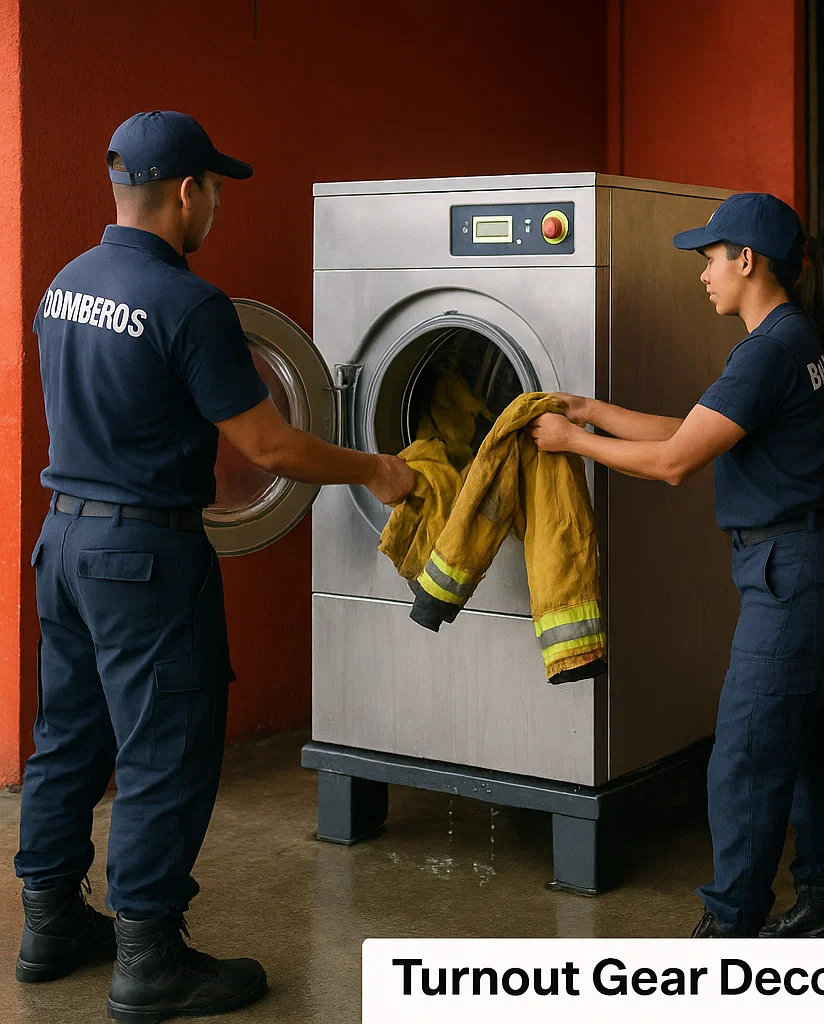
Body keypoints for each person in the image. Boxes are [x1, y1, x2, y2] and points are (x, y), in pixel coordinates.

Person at [13, 111, 414, 1021]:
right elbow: (268, 446)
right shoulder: (189, 304)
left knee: (69, 736)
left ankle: (47, 925)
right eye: (217, 190)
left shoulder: (65, 286)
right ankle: (149, 957)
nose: (220, 207)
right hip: (145, 555)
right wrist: (376, 468)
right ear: (186, 192)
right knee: (165, 749)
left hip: (64, 539)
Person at [530, 192, 824, 938]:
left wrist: (574, 443)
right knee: (808, 745)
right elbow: (698, 429)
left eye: (711, 258)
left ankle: (729, 930)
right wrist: (591, 409)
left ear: (747, 261)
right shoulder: (794, 338)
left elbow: (677, 461)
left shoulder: (767, 350)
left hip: (789, 572)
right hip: (812, 563)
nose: (703, 273)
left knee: (744, 757)